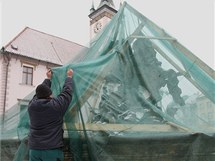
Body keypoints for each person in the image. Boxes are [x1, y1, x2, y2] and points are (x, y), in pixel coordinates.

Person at [28, 68, 74, 161]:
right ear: (49, 95)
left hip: (34, 149)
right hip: (51, 149)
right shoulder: (55, 106)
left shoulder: (31, 105)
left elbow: (39, 93)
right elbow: (67, 93)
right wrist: (69, 77)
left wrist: (48, 79)